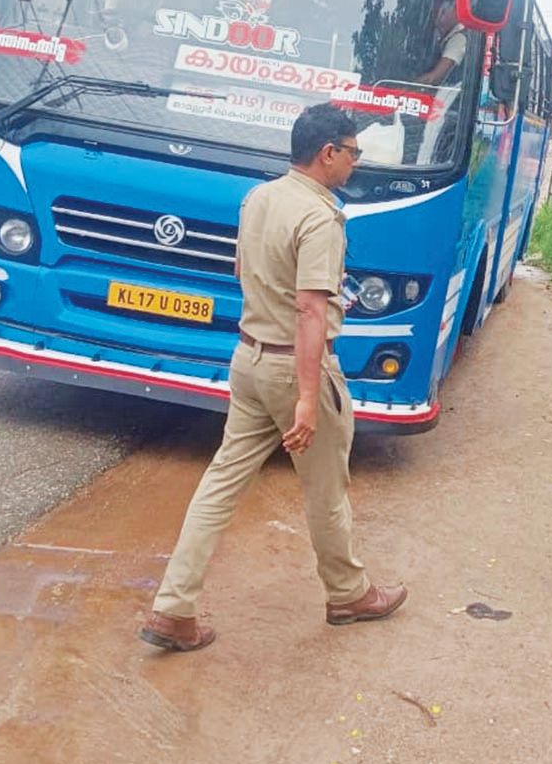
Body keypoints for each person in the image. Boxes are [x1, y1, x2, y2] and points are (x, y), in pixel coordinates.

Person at [140, 103, 407, 652]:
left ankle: (173, 608)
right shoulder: (320, 217)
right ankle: (348, 594)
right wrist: (309, 399)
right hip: (296, 366)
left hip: (249, 358)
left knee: (220, 482)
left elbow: (244, 271)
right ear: (327, 153)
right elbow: (311, 310)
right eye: (352, 153)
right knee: (326, 488)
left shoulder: (258, 198)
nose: (355, 164)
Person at [416, 0, 467, 86]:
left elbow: (433, 78)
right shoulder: (442, 35)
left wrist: (404, 88)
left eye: (442, 10)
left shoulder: (459, 39)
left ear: (456, 9)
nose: (437, 14)